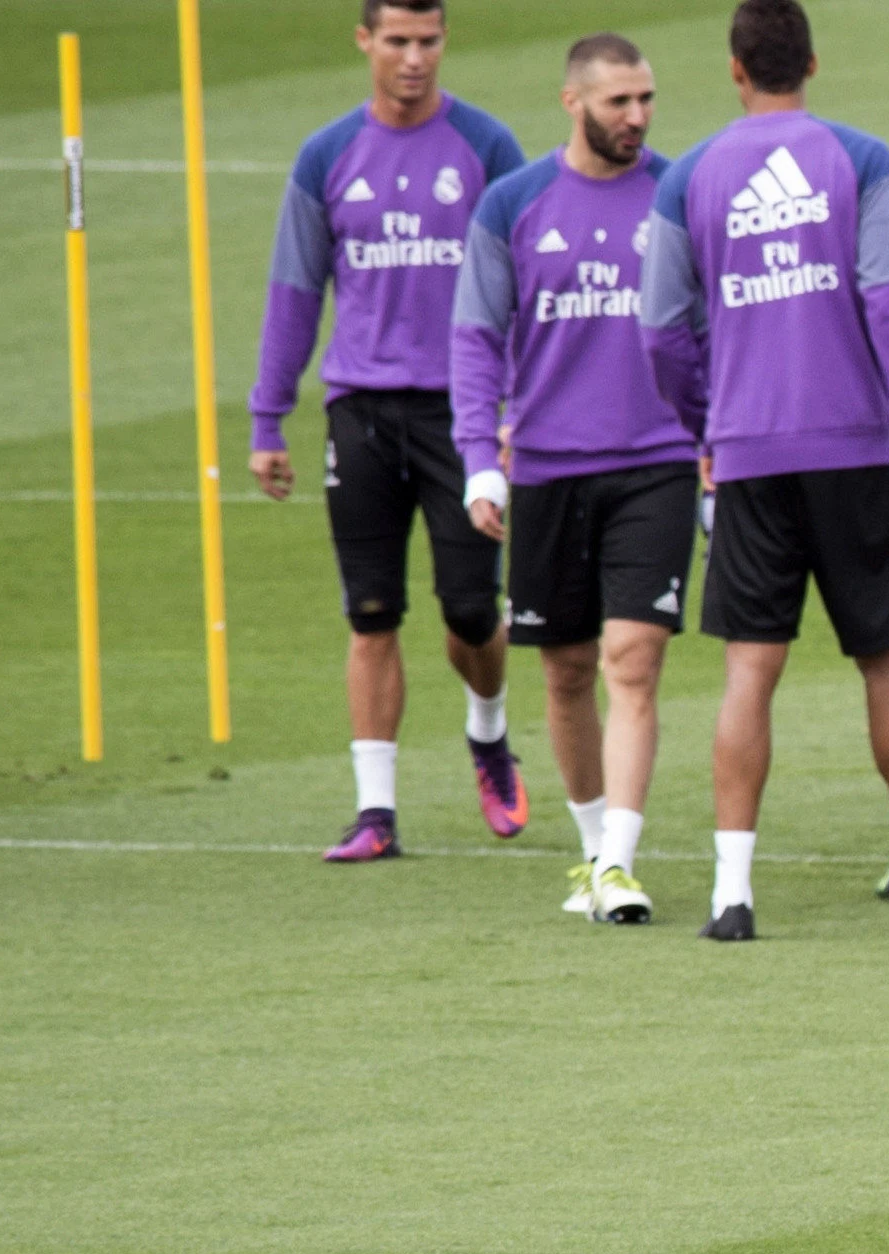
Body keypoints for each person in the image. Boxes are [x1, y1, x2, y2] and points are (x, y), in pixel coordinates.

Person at [639, 0, 889, 939]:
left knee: (748, 672)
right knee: (887, 662)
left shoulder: (686, 177)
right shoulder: (860, 159)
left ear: (734, 68)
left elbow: (659, 332)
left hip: (751, 453)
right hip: (851, 448)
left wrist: (707, 425)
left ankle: (731, 897)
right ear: (811, 59)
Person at [251, 0, 530, 864]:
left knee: (471, 607)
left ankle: (488, 732)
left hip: (465, 417)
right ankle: (377, 813)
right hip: (360, 412)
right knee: (370, 612)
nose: (415, 58)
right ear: (365, 42)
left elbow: (528, 287)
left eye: (429, 42)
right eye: (399, 42)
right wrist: (269, 417)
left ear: (446, 42)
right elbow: (295, 291)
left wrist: (516, 410)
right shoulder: (327, 156)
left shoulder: (486, 149)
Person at [451, 33, 696, 924]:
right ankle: (594, 855)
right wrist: (480, 460)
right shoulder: (511, 205)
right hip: (549, 469)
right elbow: (475, 338)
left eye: (646, 100)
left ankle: (620, 863)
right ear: (573, 102)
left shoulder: (676, 193)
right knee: (565, 672)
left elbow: (707, 328)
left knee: (633, 661)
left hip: (659, 464)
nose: (637, 118)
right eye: (619, 102)